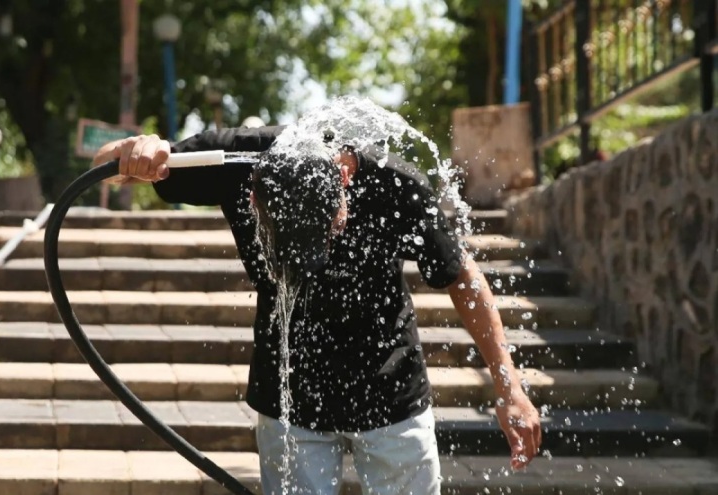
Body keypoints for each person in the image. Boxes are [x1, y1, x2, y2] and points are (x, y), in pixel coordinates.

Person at [93, 126, 541, 495]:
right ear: (253, 197)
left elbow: (462, 277)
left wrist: (510, 386)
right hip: (289, 399)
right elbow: (102, 167)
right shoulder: (236, 161)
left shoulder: (395, 183)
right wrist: (136, 150)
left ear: (344, 189)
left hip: (390, 395)